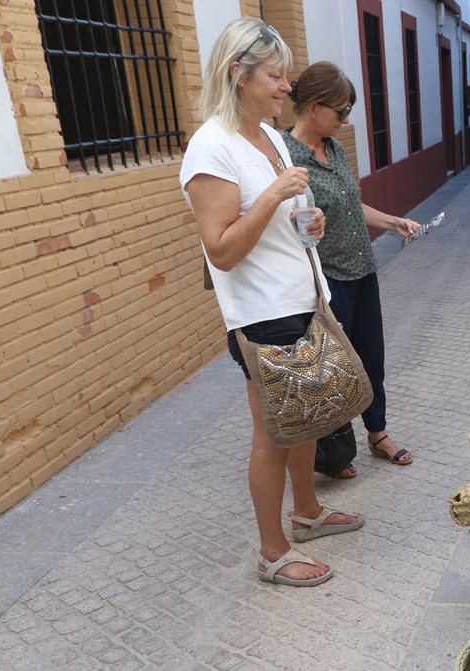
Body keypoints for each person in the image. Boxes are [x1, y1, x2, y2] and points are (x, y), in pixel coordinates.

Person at [179, 19, 364, 588]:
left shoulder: (270, 138)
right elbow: (223, 249)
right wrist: (277, 197)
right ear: (238, 75)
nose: (288, 87)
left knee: (305, 419)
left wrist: (308, 219)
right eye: (276, 76)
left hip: (302, 296)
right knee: (272, 434)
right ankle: (272, 552)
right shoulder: (212, 147)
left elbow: (288, 219)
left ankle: (306, 512)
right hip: (262, 313)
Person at [282, 62, 419, 479]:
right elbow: (287, 218)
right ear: (314, 108)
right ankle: (333, 454)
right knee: (332, 368)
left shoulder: (335, 148)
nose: (346, 120)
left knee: (371, 358)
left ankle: (377, 434)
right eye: (340, 111)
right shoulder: (287, 157)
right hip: (326, 281)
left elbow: (349, 205)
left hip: (362, 271)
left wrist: (391, 221)